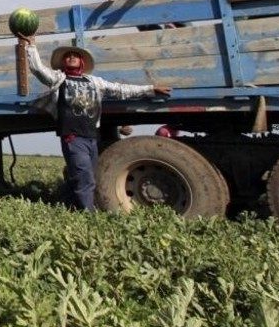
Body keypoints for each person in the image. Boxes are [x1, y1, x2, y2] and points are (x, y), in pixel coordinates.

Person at [18, 34, 172, 210]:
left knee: (86, 174)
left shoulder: (94, 82)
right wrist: (31, 46)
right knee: (84, 176)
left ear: (82, 61)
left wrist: (150, 90)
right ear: (63, 63)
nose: (71, 57)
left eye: (75, 55)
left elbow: (121, 90)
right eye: (68, 56)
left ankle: (68, 204)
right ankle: (88, 214)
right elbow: (38, 69)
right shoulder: (59, 79)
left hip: (92, 136)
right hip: (73, 137)